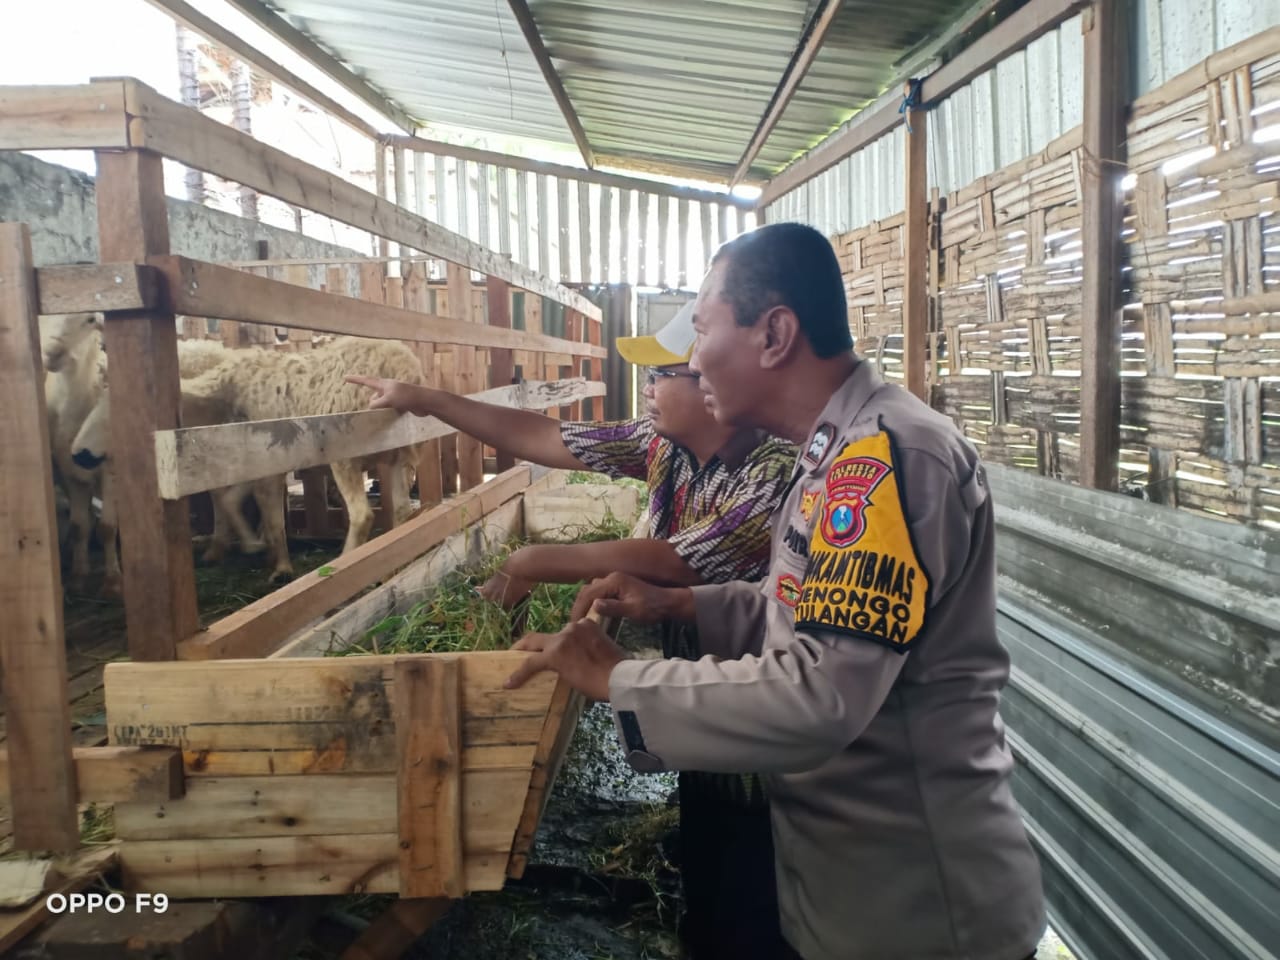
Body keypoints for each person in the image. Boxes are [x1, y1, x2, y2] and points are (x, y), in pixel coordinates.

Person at [504, 222, 1048, 960]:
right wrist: (680, 604)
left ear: (774, 335)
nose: (694, 359)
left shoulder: (885, 458)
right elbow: (799, 609)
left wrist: (618, 679)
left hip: (916, 907)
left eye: (703, 331)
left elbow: (819, 693)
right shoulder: (829, 450)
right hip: (848, 885)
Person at [347, 301, 800, 960]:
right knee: (708, 859)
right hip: (699, 699)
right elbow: (545, 438)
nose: (647, 388)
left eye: (662, 375)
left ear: (712, 384)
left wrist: (535, 561)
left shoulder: (777, 470)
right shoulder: (663, 446)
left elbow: (679, 561)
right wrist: (426, 400)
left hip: (764, 718)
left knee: (757, 882)